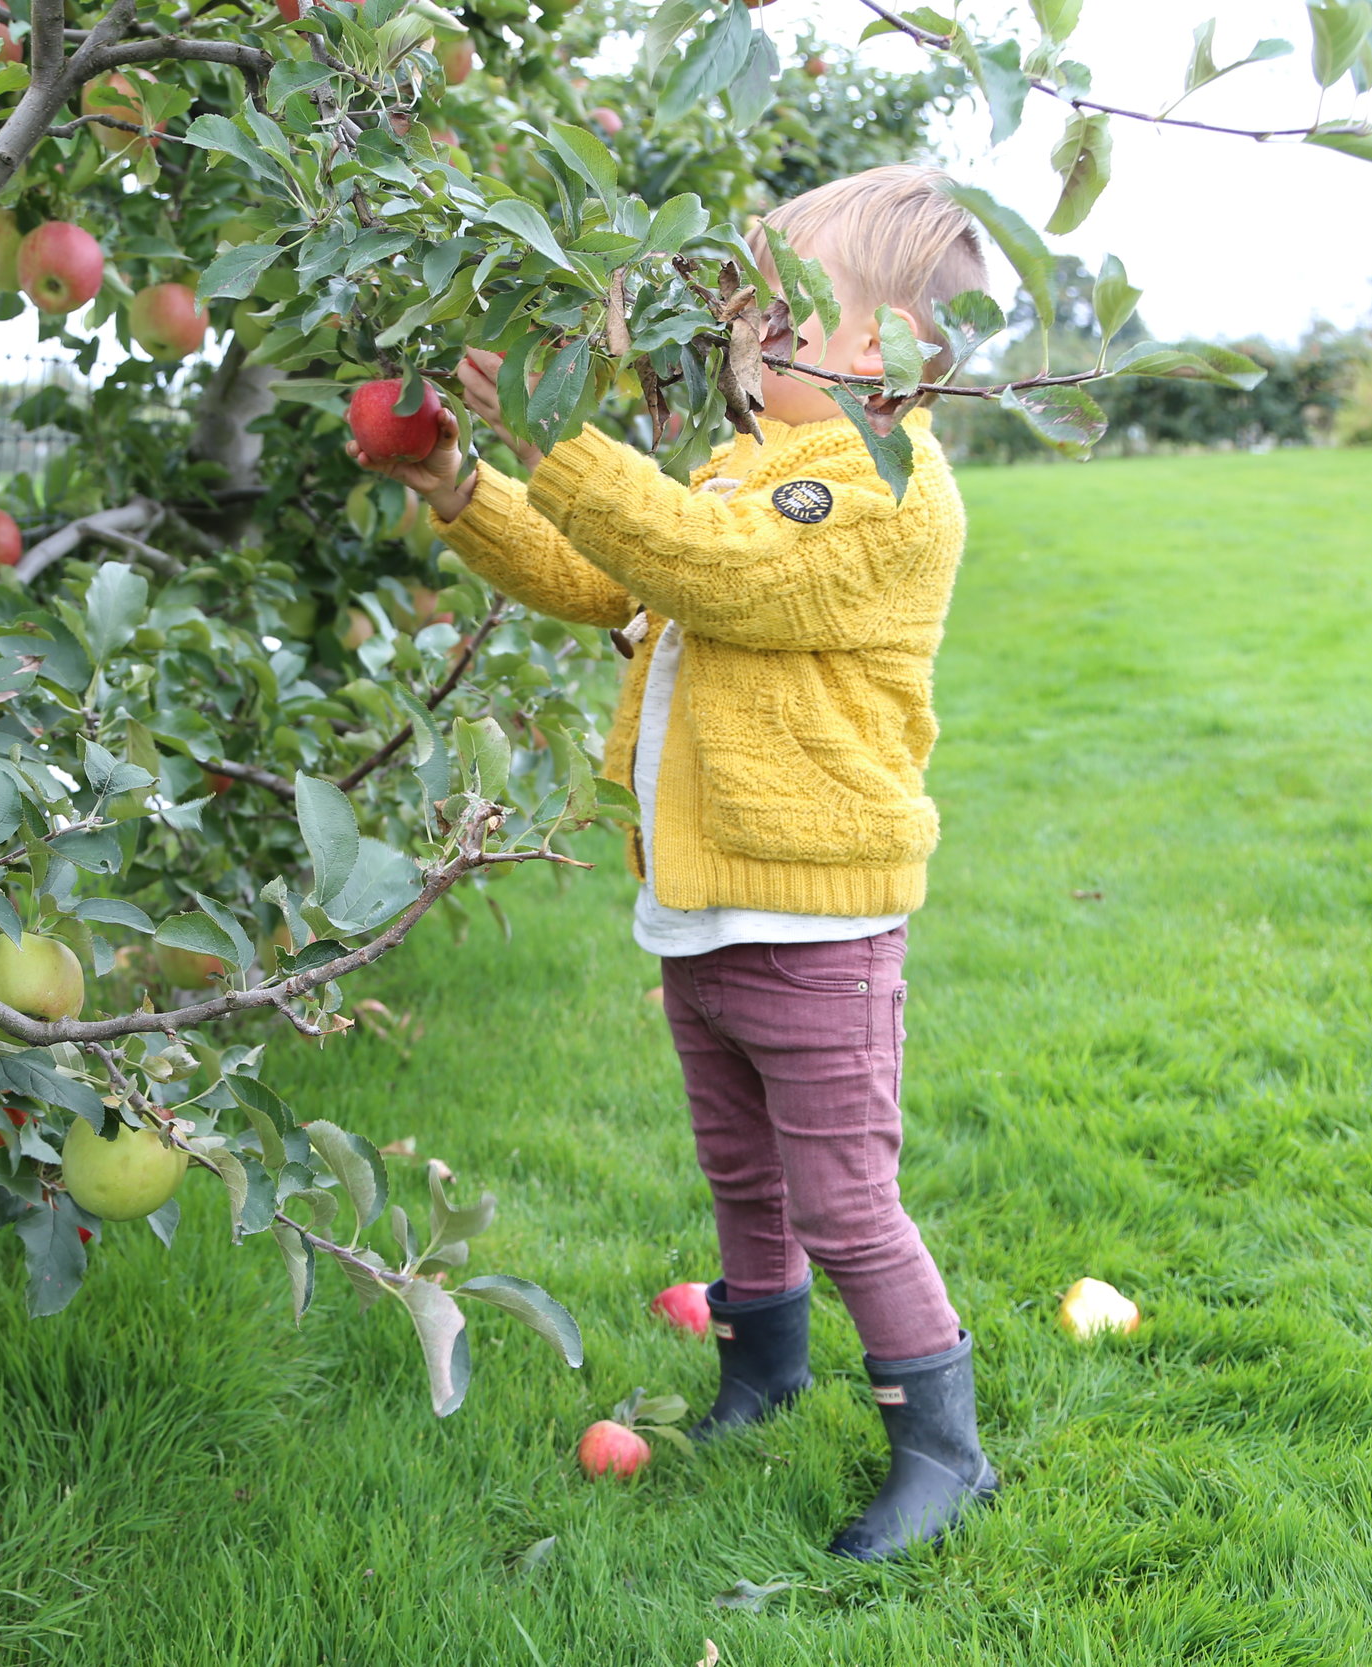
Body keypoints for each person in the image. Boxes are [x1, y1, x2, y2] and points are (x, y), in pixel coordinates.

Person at [347, 165, 994, 1561]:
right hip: (703, 904)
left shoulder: (884, 488)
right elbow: (611, 575)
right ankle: (763, 1369)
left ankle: (944, 1447)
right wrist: (465, 480)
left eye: (775, 305)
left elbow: (714, 570)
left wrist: (545, 424)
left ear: (881, 352)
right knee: (740, 1172)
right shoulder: (751, 469)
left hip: (816, 919)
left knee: (842, 1197)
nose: (741, 324)